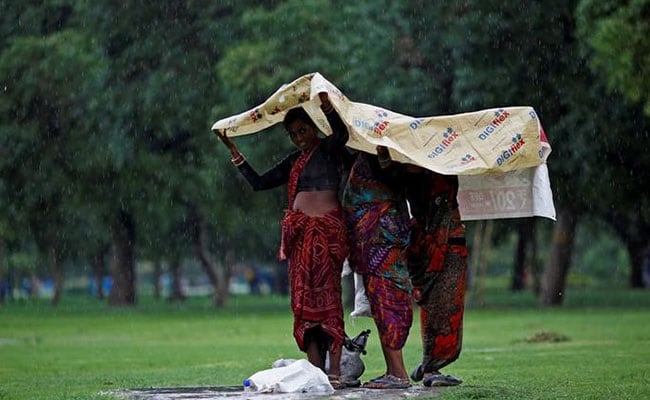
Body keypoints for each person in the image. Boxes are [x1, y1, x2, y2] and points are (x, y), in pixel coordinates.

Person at [214, 93, 351, 389]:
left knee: (328, 303)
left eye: (302, 131)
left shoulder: (328, 150)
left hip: (326, 237)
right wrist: (234, 150)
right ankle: (316, 373)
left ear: (313, 128)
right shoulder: (294, 162)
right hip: (301, 241)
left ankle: (336, 372)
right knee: (304, 307)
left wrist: (327, 107)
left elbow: (341, 133)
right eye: (292, 134)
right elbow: (259, 183)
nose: (298, 138)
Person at [341, 146, 413, 389]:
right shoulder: (361, 160)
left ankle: (398, 374)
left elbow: (395, 189)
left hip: (382, 246)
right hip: (373, 248)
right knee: (382, 307)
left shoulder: (386, 162)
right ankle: (394, 371)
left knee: (387, 306)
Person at [404, 165, 469, 387]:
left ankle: (430, 363)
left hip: (442, 240)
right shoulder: (421, 167)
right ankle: (432, 366)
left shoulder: (441, 162)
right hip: (436, 242)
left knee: (440, 306)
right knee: (441, 306)